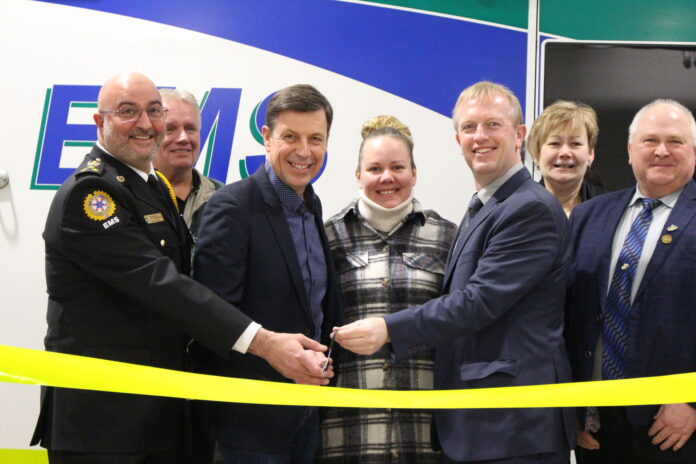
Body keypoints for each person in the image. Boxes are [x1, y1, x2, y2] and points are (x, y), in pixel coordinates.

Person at [30, 73, 333, 464]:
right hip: (103, 423)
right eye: (128, 112)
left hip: (159, 415)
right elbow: (163, 285)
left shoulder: (151, 187)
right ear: (99, 122)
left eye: (154, 111)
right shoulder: (91, 194)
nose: (145, 123)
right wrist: (265, 343)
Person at [333, 81, 575, 463]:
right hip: (478, 426)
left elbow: (477, 303)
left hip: (512, 427)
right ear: (457, 137)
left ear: (520, 134)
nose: (480, 136)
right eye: (469, 127)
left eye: (493, 125)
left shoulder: (529, 209)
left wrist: (387, 329)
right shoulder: (486, 207)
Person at [193, 84, 342, 463]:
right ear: (267, 138)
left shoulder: (311, 205)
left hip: (305, 413)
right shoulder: (232, 206)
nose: (304, 151)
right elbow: (211, 315)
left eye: (316, 139)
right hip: (246, 424)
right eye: (290, 137)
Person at [317, 115, 456, 463]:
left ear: (414, 172)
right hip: (348, 433)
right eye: (375, 168)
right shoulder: (327, 237)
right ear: (358, 175)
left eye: (398, 167)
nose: (387, 178)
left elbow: (458, 321)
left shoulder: (448, 237)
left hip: (426, 435)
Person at [566, 99, 696, 463]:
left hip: (672, 425)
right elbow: (568, 316)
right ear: (629, 151)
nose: (661, 151)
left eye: (675, 141)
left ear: (694, 151)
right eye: (649, 140)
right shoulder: (588, 217)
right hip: (595, 424)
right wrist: (572, 410)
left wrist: (692, 402)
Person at [153, 88, 223, 240]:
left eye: (190, 128)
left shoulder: (223, 197)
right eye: (170, 129)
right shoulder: (132, 197)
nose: (183, 138)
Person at [527, 100, 604, 216]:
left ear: (590, 153)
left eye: (575, 143)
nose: (565, 153)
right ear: (537, 154)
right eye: (555, 143)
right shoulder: (517, 210)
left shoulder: (611, 210)